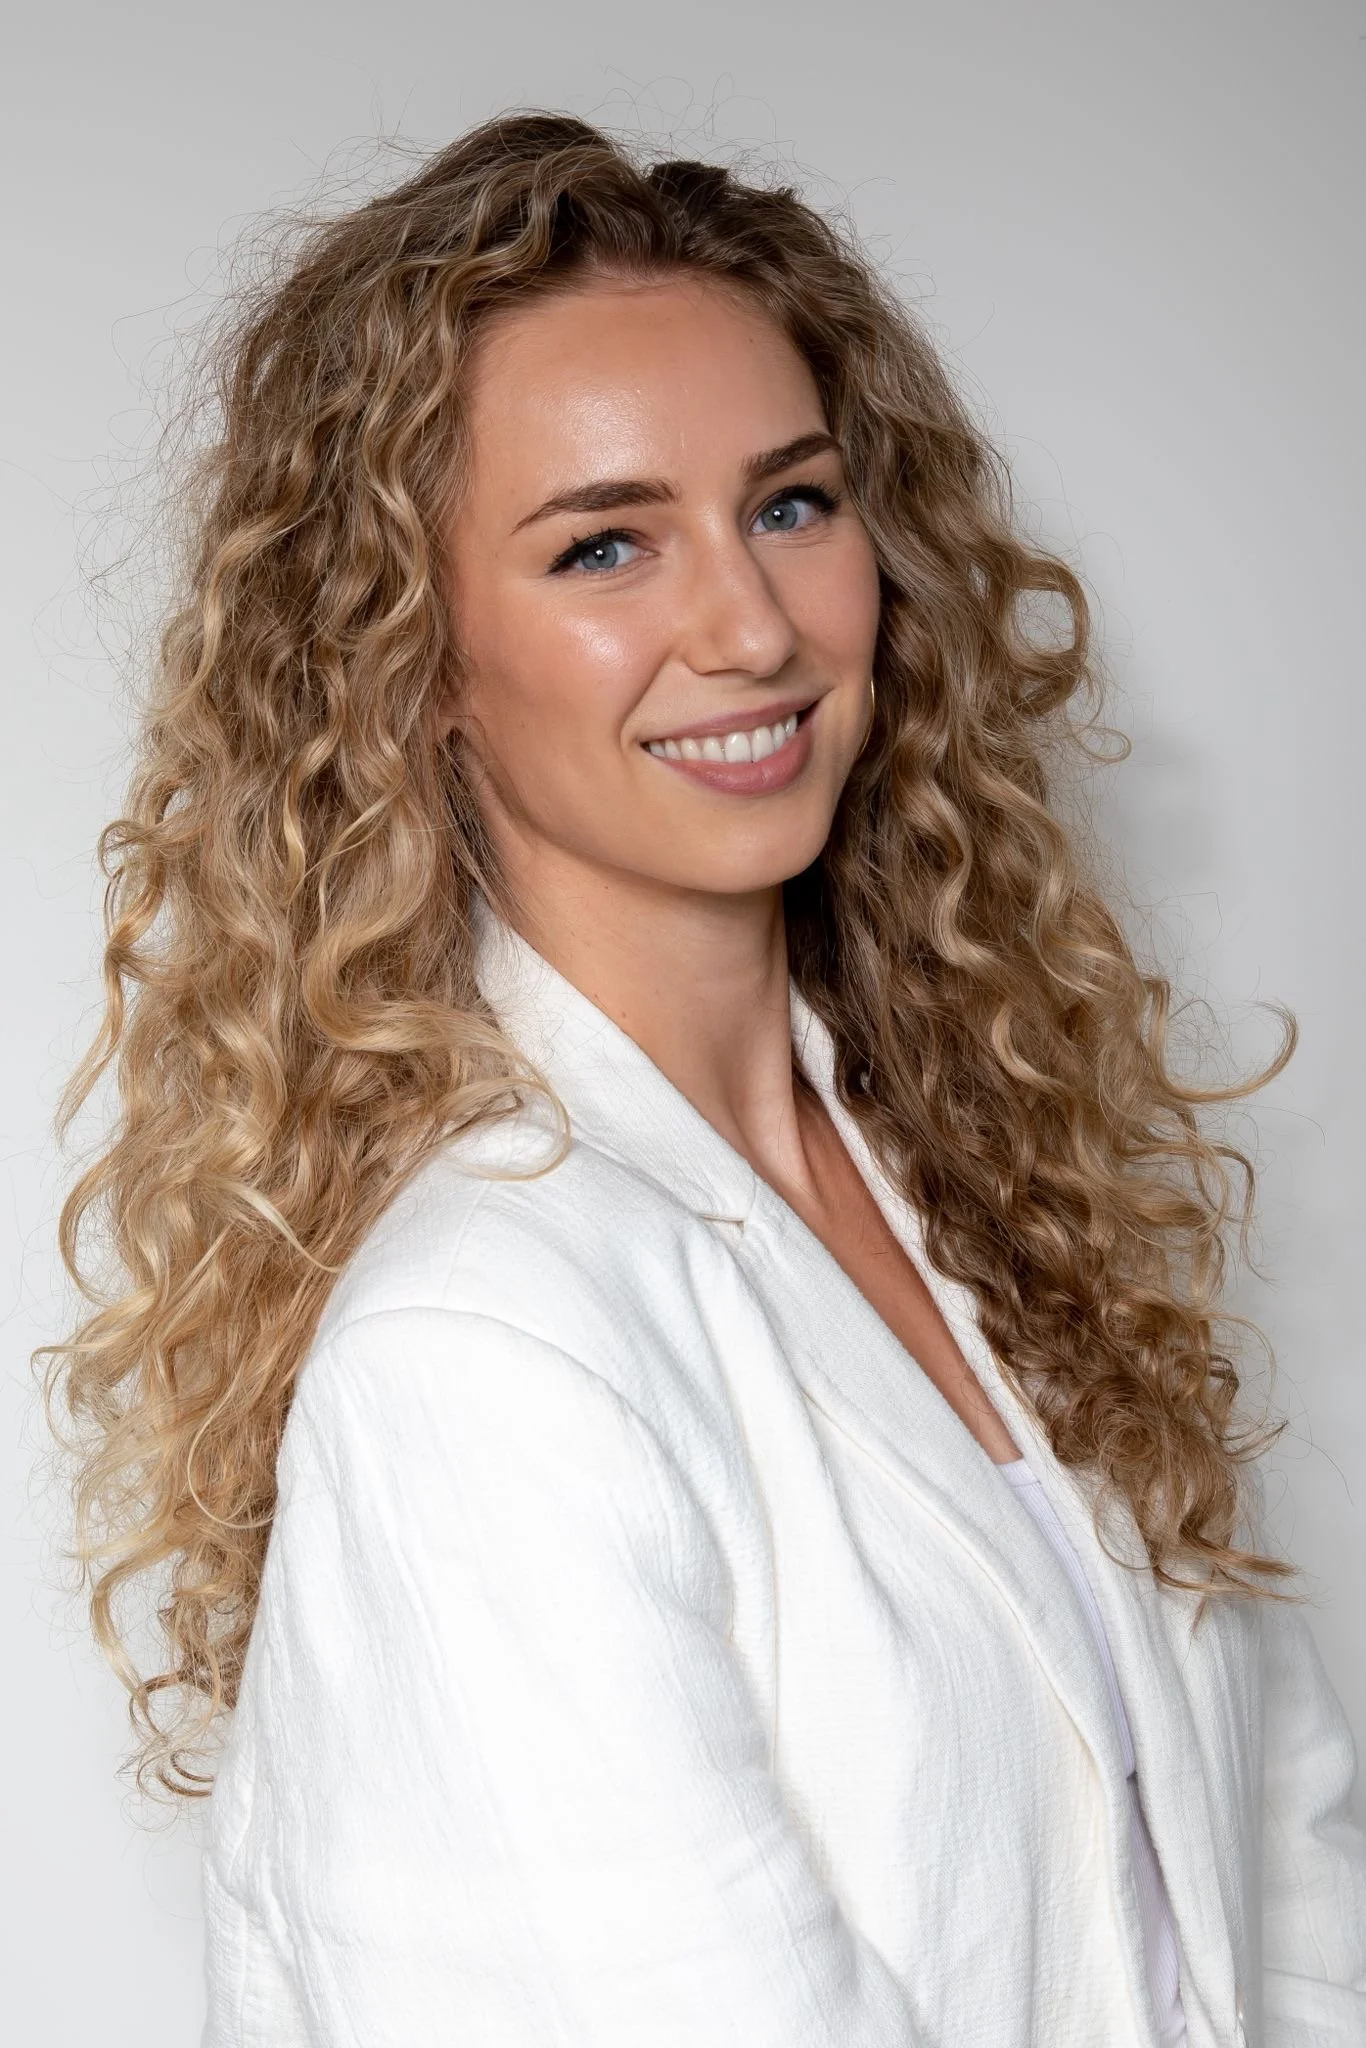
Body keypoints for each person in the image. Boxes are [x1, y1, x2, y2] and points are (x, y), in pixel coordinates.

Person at [44, 111, 1366, 2047]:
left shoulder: (985, 1203)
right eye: (601, 543)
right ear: (407, 656)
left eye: (791, 503)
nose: (748, 627)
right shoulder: (487, 1347)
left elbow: (1278, 1869)